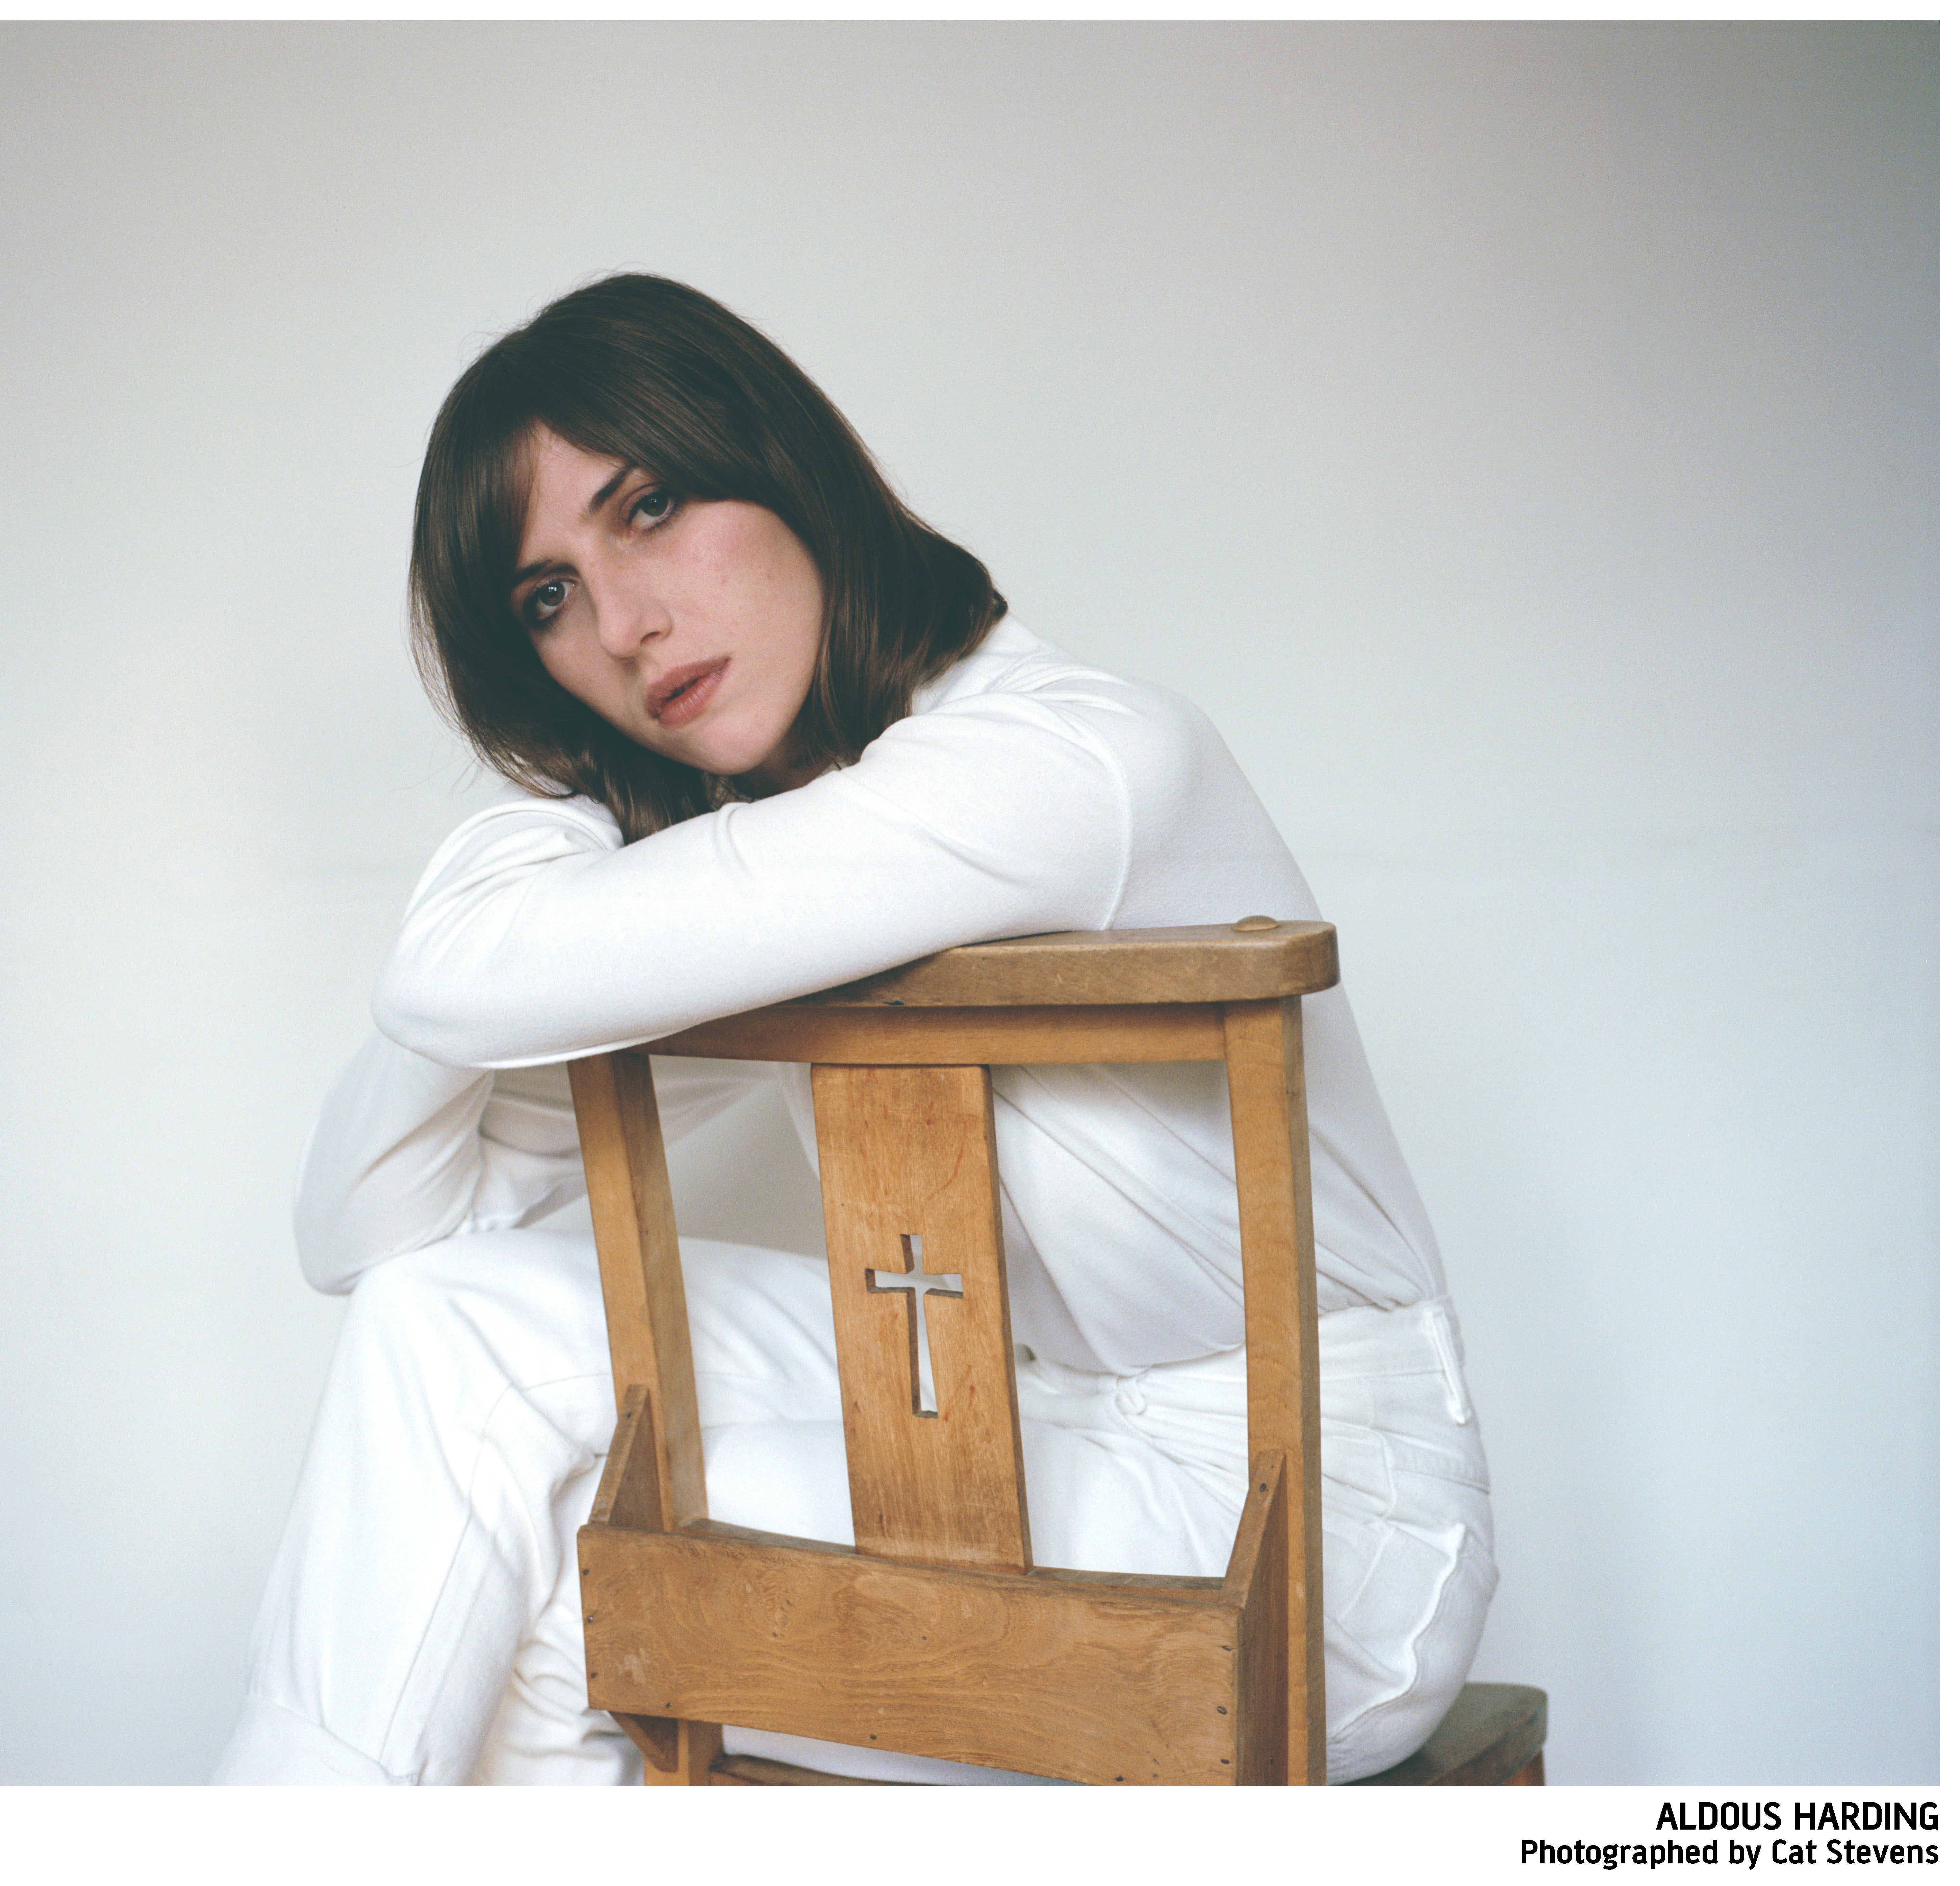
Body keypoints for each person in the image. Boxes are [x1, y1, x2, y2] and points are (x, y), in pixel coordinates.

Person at [212, 274, 1495, 1787]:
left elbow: (453, 969)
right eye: (544, 600)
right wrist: (575, 807)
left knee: (552, 1599)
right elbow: (372, 1231)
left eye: (649, 508)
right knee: (450, 1335)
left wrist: (558, 822)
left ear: (783, 467)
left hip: (1324, 1537)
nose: (623, 625)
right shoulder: (779, 879)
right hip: (1020, 1417)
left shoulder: (1073, 761)